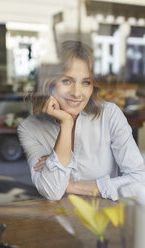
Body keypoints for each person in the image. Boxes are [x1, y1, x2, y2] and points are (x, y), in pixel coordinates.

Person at [18, 40, 145, 201]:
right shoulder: (29, 128)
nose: (77, 93)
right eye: (67, 81)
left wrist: (73, 186)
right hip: (57, 222)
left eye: (86, 82)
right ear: (47, 84)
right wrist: (66, 124)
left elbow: (139, 180)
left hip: (107, 221)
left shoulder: (109, 114)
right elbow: (52, 191)